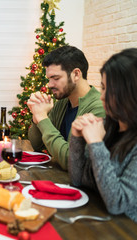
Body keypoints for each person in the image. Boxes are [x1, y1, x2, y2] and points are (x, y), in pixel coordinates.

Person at [69, 48, 137, 222]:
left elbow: (118, 203)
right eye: (103, 87)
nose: (102, 97)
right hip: (97, 220)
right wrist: (77, 138)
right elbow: (78, 180)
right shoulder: (109, 127)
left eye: (110, 90)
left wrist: (96, 144)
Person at [27, 46, 105, 170]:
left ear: (76, 74)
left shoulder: (99, 108)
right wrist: (37, 114)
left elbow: (72, 161)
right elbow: (37, 144)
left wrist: (42, 118)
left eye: (56, 78)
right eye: (49, 79)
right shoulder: (63, 101)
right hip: (58, 178)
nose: (50, 85)